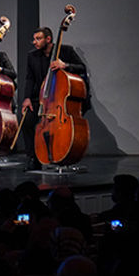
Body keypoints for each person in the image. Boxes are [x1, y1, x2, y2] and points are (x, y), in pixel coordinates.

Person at [20, 25, 89, 170]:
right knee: (27, 120)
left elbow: (82, 68)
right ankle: (33, 157)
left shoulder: (66, 51)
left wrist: (66, 65)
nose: (35, 42)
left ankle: (63, 152)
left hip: (61, 99)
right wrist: (26, 98)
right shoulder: (32, 56)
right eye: (34, 39)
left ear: (48, 39)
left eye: (38, 39)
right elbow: (29, 78)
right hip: (43, 98)